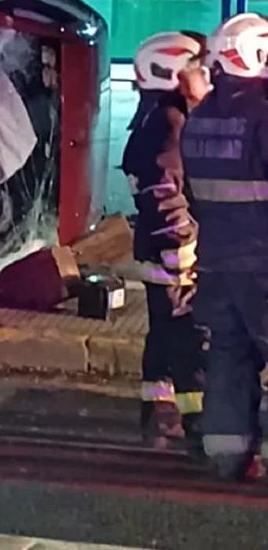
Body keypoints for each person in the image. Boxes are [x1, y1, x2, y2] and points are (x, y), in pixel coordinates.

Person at [180, 13, 268, 480]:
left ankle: (227, 454)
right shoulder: (262, 117)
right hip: (262, 261)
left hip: (216, 262)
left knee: (229, 355)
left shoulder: (198, 121)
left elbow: (196, 197)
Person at [123, 31, 210, 454]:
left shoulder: (154, 119)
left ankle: (158, 417)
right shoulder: (169, 125)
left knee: (162, 336)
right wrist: (184, 250)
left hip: (159, 255)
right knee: (187, 339)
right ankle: (194, 422)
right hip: (175, 256)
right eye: (200, 70)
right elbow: (164, 195)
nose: (207, 78)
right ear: (173, 73)